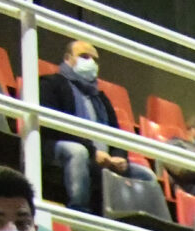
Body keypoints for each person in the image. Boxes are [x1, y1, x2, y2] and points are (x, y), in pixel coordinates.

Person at [36, 40, 128, 215]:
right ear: (67, 59)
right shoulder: (51, 84)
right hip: (56, 147)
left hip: (101, 155)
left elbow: (117, 134)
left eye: (94, 59)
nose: (91, 63)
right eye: (84, 56)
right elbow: (55, 126)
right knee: (77, 151)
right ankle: (79, 211)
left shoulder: (100, 97)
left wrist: (119, 156)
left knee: (145, 174)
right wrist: (93, 151)